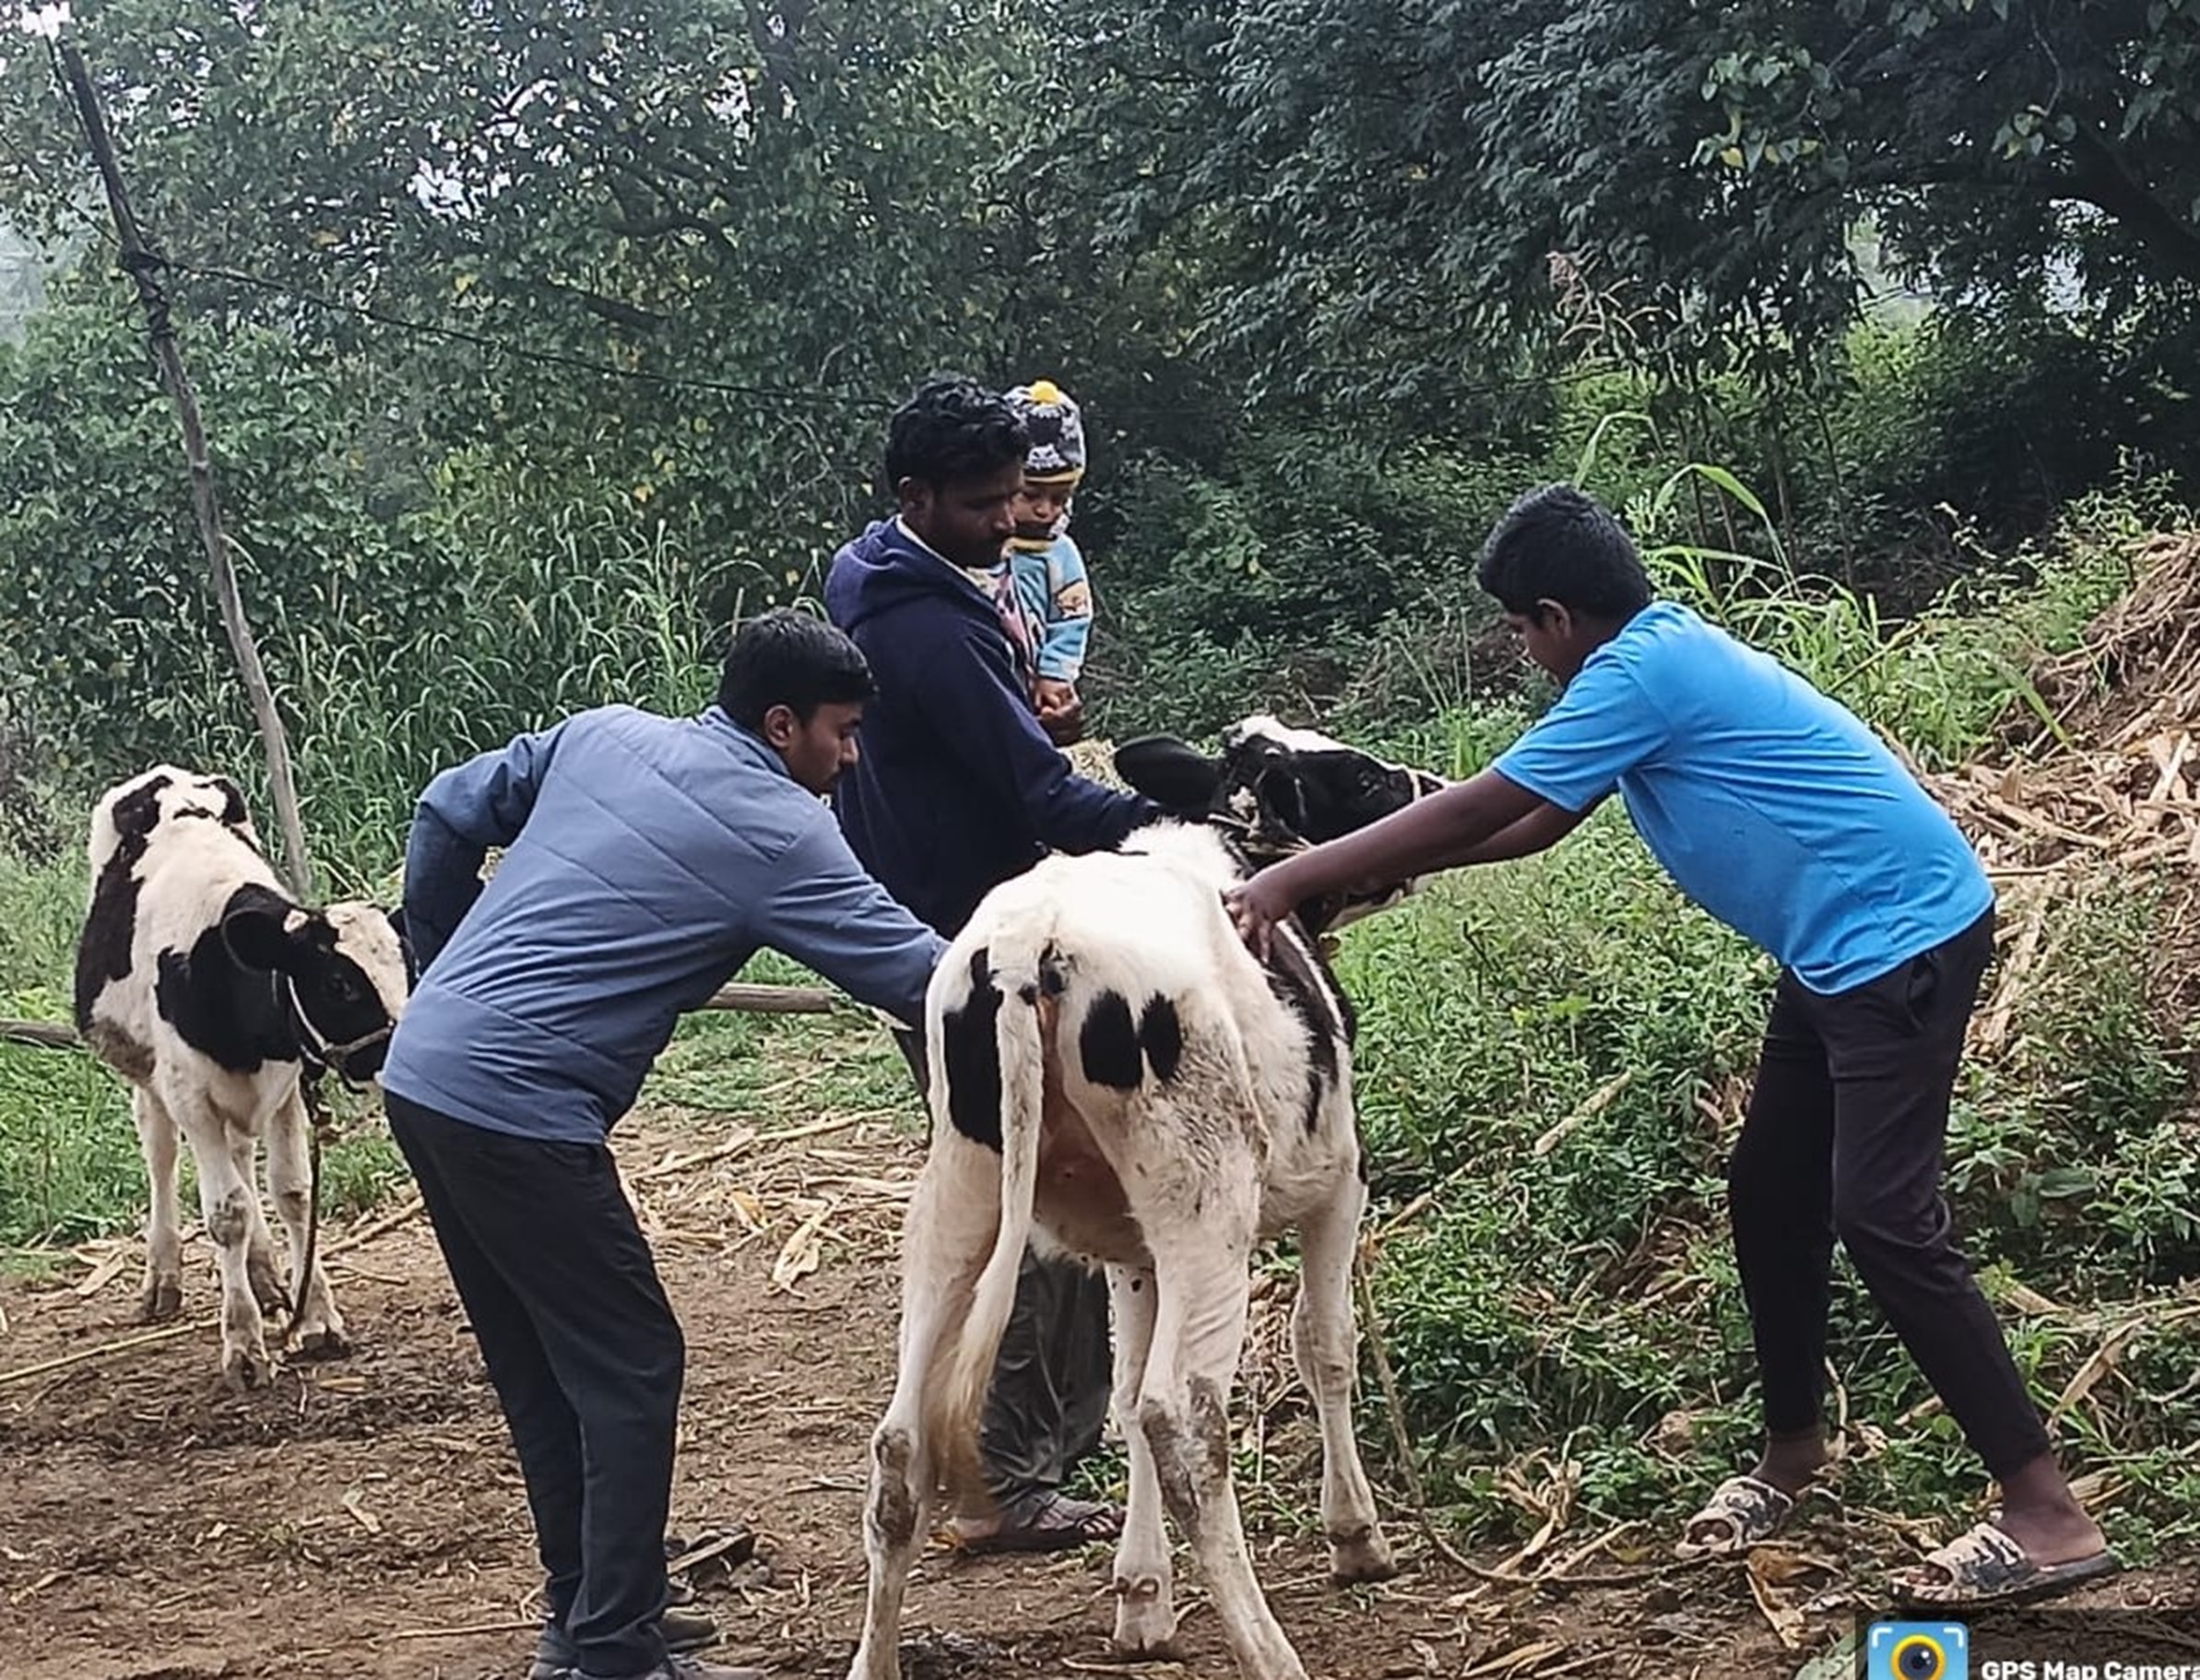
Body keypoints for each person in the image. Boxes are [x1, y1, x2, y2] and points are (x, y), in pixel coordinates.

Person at [1225, 484, 2117, 1609]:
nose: (1517, 647)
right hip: (1837, 946)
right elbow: (1537, 820)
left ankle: (2046, 1512)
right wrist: (1359, 866)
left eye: (1516, 627)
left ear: (1554, 615)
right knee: (1767, 1188)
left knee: (1883, 1212)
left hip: (1898, 937)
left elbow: (1485, 803)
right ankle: (1793, 1453)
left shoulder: (1638, 674)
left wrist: (1293, 876)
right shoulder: (1651, 656)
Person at [382, 610, 948, 1680]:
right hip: (520, 1115)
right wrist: (1062, 960)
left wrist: (440, 963)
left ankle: (595, 1610)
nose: (852, 754)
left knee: (547, 1368)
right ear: (783, 725)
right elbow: (928, 978)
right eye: (842, 730)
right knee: (635, 1364)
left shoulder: (606, 733)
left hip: (423, 1078)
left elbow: (444, 808)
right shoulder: (781, 831)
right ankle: (608, 1649)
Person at [826, 373, 1164, 1552]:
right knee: (1053, 1196)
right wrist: (1172, 829)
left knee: (997, 1188)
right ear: (917, 495)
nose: (1008, 518)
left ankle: (987, 1458)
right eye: (981, 504)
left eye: (1014, 494)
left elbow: (983, 745)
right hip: (983, 934)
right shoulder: (926, 620)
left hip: (944, 917)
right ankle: (1006, 1473)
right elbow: (1036, 793)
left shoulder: (878, 571)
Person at [1002, 378, 1097, 746]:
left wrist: (1055, 675)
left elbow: (1072, 619)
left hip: (1036, 688)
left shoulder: (1060, 554)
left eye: (1059, 498)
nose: (1044, 510)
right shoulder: (976, 544)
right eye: (1031, 495)